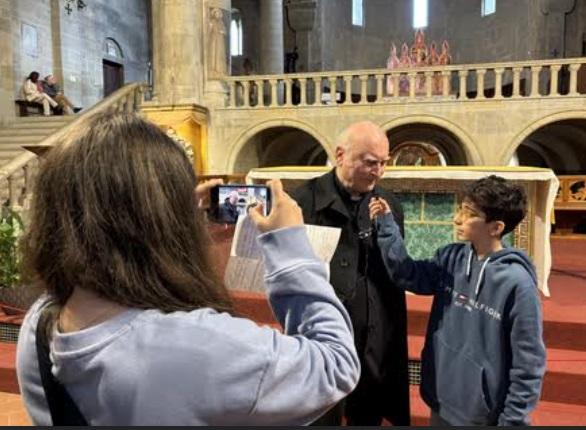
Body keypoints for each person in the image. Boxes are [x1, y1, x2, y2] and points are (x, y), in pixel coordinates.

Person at [15, 112, 360, 426]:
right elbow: (335, 365)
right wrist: (290, 246)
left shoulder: (39, 323)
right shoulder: (198, 345)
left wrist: (177, 213)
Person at [369, 175, 546, 426]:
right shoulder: (450, 258)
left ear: (495, 227)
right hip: (441, 398)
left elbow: (529, 362)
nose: (457, 218)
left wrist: (514, 420)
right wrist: (387, 226)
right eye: (461, 208)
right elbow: (408, 275)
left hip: (481, 414)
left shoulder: (517, 284)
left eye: (469, 213)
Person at [291, 121, 410, 425]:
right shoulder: (301, 202)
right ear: (340, 155)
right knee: (320, 407)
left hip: (374, 330)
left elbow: (395, 268)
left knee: (367, 410)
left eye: (384, 163)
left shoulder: (389, 205)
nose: (379, 171)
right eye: (370, 162)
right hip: (324, 327)